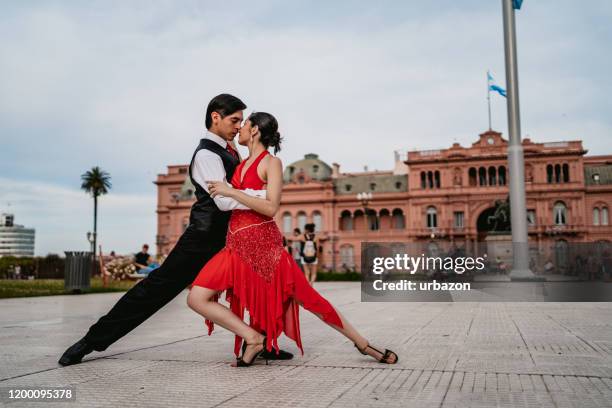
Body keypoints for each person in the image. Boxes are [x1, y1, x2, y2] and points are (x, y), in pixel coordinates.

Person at [59, 94, 293, 366]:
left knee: (262, 283)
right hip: (203, 238)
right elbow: (224, 200)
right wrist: (266, 195)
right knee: (158, 287)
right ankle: (91, 341)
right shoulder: (207, 154)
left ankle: (265, 342)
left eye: (241, 121)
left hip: (233, 235)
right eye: (234, 120)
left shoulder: (231, 150)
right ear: (215, 117)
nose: (238, 126)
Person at [187, 112, 398, 367]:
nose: (239, 129)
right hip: (236, 248)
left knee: (313, 301)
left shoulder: (272, 162)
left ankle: (364, 345)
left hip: (267, 250)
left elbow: (270, 207)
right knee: (197, 297)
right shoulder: (240, 164)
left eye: (244, 124)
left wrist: (233, 191)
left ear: (254, 130)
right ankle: (253, 338)